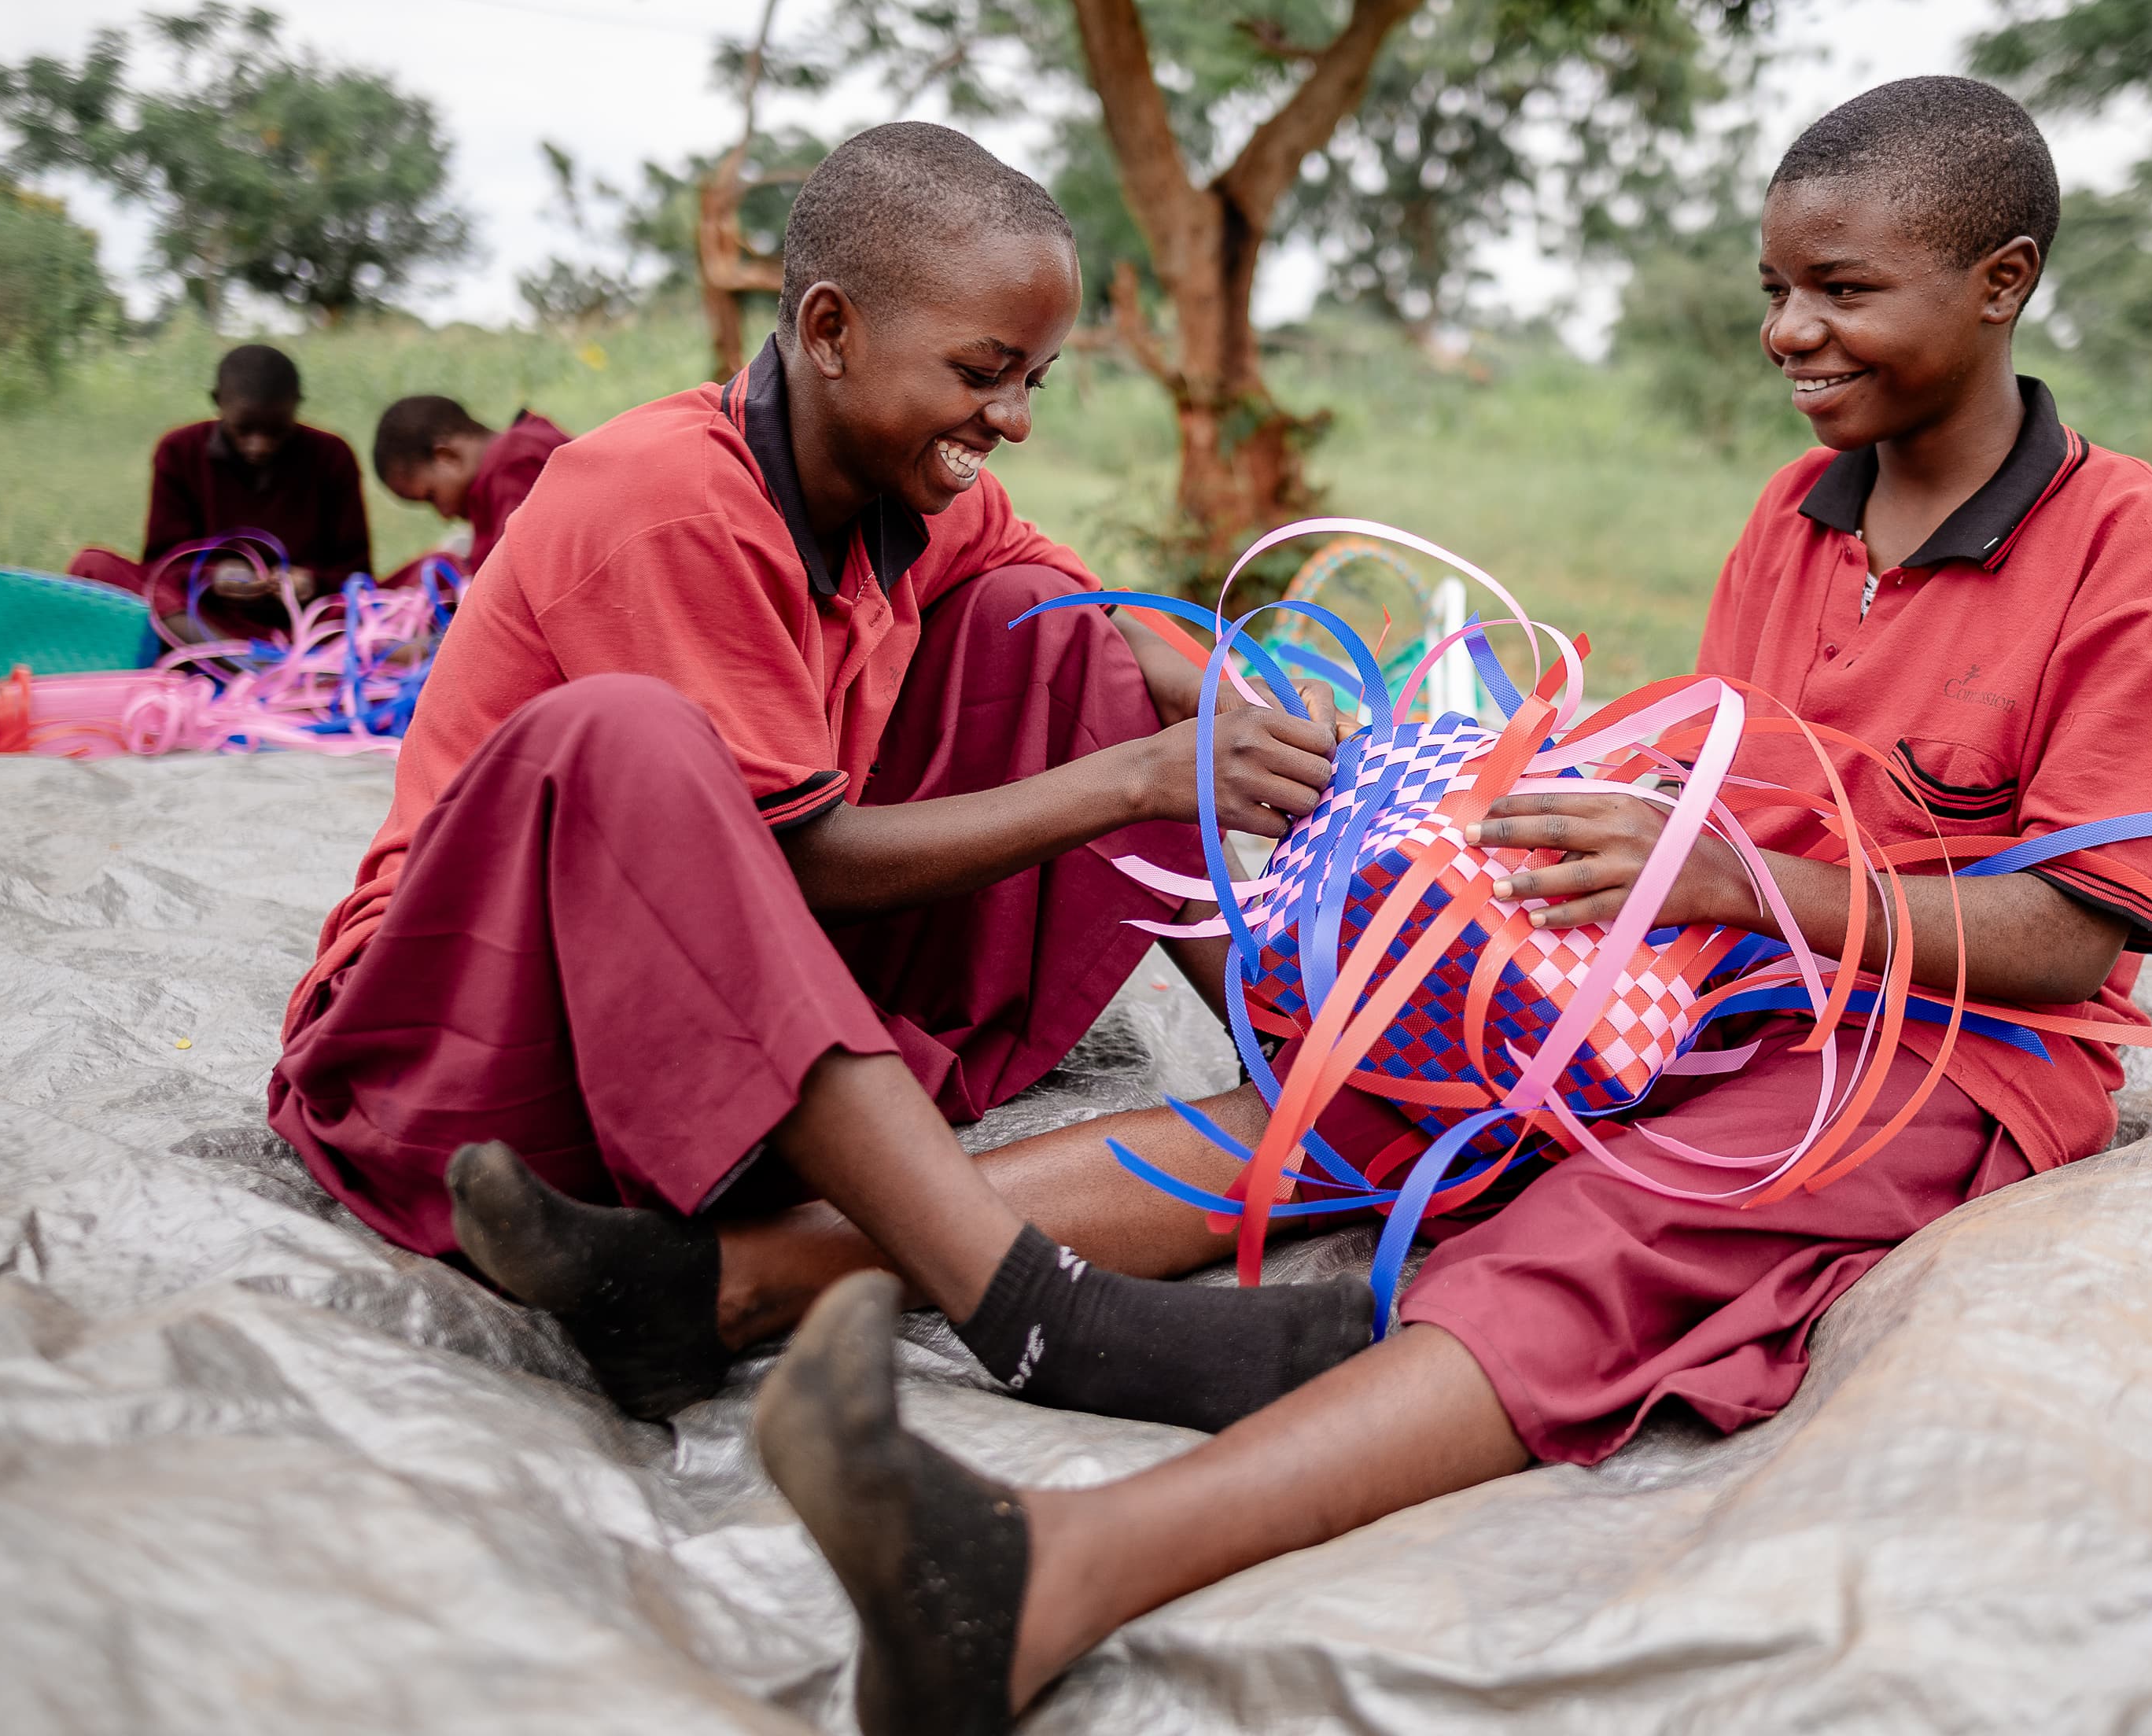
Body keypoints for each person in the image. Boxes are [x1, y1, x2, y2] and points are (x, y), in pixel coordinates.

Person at [749, 77, 2152, 1730]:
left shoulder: (2132, 545)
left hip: (1945, 1042)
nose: (1791, 332)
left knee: (1611, 1227)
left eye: (1843, 290)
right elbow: (1717, 787)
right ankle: (750, 1278)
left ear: (2001, 282)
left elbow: (2072, 936)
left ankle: (1056, 1566)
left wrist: (1739, 883)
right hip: (1726, 963)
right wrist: (1516, 844)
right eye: (1773, 291)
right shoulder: (1799, 514)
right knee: (1382, 1069)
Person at [268, 123, 1371, 1435]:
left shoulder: (916, 485)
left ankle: (1292, 1036)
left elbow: (1118, 631)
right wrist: (1141, 777)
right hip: (474, 1054)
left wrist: (1280, 729)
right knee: (627, 734)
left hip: (723, 1017)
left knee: (1048, 618)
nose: (1012, 420)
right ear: (832, 327)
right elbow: (798, 857)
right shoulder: (666, 497)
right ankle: (1038, 1315)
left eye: (1035, 379)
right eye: (982, 371)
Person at [68, 343, 373, 627]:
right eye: (244, 430)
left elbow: (359, 574)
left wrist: (312, 581)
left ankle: (218, 655)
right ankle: (232, 655)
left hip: (308, 620)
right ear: (218, 403)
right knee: (93, 564)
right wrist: (212, 577)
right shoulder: (179, 451)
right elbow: (163, 565)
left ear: (296, 406)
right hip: (205, 616)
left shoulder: (333, 456)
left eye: (276, 431)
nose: (259, 446)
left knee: (410, 581)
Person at [370, 393, 571, 584]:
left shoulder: (512, 463)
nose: (445, 515)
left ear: (446, 457)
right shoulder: (516, 453)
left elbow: (514, 579)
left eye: (432, 497)